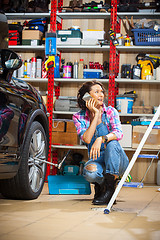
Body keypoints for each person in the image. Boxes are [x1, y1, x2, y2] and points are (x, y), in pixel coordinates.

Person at [73, 80, 129, 205]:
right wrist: (96, 113)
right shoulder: (79, 117)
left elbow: (119, 133)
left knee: (112, 143)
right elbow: (86, 139)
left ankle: (109, 189)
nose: (101, 95)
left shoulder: (110, 112)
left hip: (117, 161)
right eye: (96, 92)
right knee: (89, 173)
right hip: (98, 160)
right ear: (86, 96)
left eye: (102, 92)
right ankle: (101, 186)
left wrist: (101, 139)